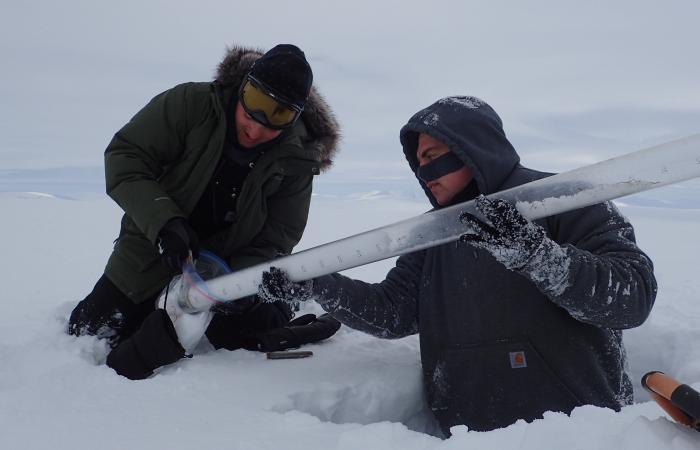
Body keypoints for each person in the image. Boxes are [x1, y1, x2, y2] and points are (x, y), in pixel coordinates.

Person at [258, 96, 658, 435]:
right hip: (468, 438)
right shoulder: (434, 234)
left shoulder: (563, 200)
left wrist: (537, 256)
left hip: (575, 433)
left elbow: (632, 296)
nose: (423, 174)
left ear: (473, 148)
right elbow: (394, 312)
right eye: (417, 163)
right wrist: (319, 285)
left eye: (432, 156)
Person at [68, 44, 342, 380]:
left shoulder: (298, 158)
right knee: (87, 334)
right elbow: (126, 157)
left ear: (295, 117)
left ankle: (275, 309)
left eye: (279, 116)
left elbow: (278, 236)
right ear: (243, 86)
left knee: (241, 337)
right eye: (255, 105)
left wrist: (238, 283)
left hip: (223, 275)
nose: (257, 128)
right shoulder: (190, 105)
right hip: (148, 255)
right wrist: (163, 222)